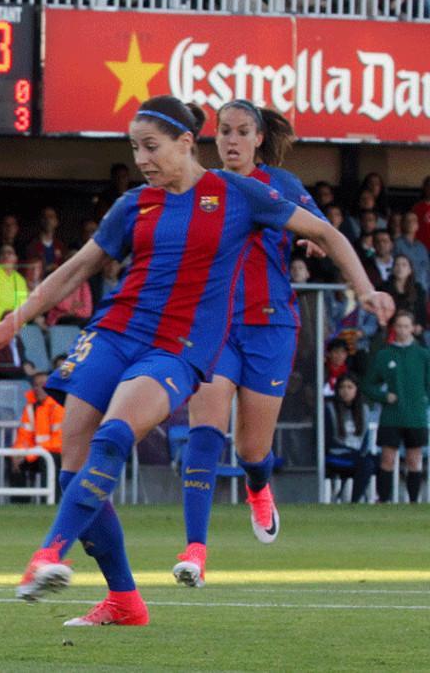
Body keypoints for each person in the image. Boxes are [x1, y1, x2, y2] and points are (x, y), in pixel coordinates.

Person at [0, 95, 391, 627]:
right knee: (72, 466)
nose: (141, 158)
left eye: (150, 147)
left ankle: (49, 554)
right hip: (113, 332)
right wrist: (12, 321)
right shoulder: (134, 204)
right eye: (134, 147)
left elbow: (325, 232)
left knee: (115, 436)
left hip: (177, 347)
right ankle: (123, 600)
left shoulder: (239, 194)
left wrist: (367, 290)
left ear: (185, 144)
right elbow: (77, 269)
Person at [175, 99, 337, 588]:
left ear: (259, 138)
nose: (230, 140)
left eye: (241, 132)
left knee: (251, 448)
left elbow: (325, 231)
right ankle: (195, 551)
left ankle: (257, 483)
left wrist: (315, 239)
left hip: (270, 328)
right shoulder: (200, 186)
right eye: (224, 131)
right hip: (213, 327)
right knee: (205, 430)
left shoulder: (282, 186)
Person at [362, 311, 429, 503]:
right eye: (399, 326)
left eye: (406, 326)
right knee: (387, 459)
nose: (402, 330)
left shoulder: (423, 355)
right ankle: (384, 500)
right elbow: (368, 385)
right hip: (391, 416)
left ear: (413, 328)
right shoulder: (385, 354)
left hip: (416, 416)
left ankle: (413, 501)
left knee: (414, 460)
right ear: (393, 328)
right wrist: (383, 396)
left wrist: (424, 401)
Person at [10, 371, 65, 501]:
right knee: (15, 463)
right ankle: (19, 506)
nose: (39, 388)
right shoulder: (30, 407)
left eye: (43, 385)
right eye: (36, 385)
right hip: (39, 453)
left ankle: (51, 502)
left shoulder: (59, 406)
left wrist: (31, 454)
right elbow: (23, 437)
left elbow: (59, 443)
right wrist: (18, 454)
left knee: (47, 461)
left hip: (58, 454)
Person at [324, 374, 376, 503]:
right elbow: (328, 440)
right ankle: (355, 502)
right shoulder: (329, 409)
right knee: (366, 464)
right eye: (342, 387)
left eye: (349, 387)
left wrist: (361, 452)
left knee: (378, 462)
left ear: (356, 390)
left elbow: (365, 439)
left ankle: (383, 499)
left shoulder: (364, 409)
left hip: (357, 454)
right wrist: (351, 451)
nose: (345, 391)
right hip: (336, 454)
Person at [379, 255, 427, 339]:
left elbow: (422, 311)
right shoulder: (384, 288)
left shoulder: (418, 288)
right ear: (393, 269)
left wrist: (419, 325)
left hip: (412, 329)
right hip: (390, 329)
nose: (400, 268)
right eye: (397, 265)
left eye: (404, 265)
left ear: (410, 270)